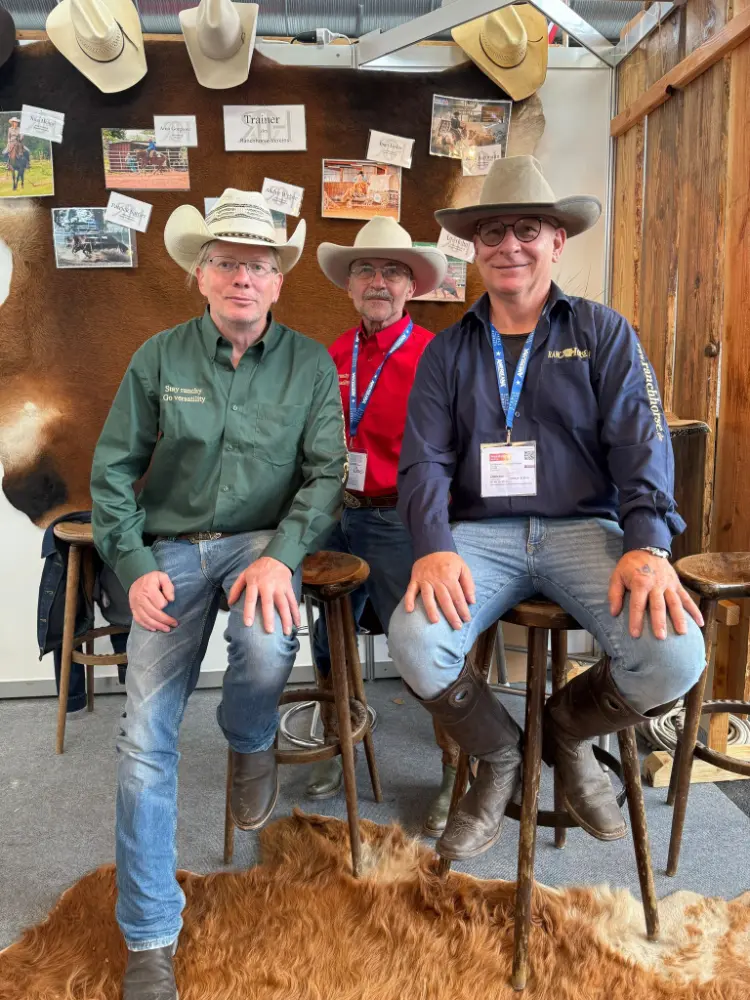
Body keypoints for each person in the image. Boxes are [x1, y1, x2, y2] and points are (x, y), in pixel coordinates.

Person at [388, 155, 705, 863]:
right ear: (474, 247)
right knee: (413, 640)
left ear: (557, 241)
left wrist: (648, 544)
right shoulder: (447, 352)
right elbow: (424, 461)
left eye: (527, 229)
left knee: (675, 654)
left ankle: (563, 729)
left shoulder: (604, 331)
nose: (510, 245)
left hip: (585, 529)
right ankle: (501, 754)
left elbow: (642, 441)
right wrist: (433, 545)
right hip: (480, 536)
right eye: (492, 231)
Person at [90, 188, 347, 1000]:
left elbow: (326, 475)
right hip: (170, 549)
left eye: (259, 266)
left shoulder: (310, 364)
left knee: (267, 642)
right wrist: (134, 564)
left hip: (260, 541)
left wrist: (281, 556)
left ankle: (251, 737)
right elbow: (113, 472)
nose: (243, 278)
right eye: (228, 262)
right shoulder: (157, 358)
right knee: (143, 739)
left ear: (278, 282)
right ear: (200, 276)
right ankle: (150, 935)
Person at [311, 218, 459, 835]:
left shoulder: (434, 355)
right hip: (337, 513)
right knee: (329, 639)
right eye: (366, 270)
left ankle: (455, 767)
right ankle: (338, 743)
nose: (378, 281)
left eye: (392, 271)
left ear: (412, 287)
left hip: (402, 518)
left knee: (426, 644)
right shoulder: (332, 355)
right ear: (349, 286)